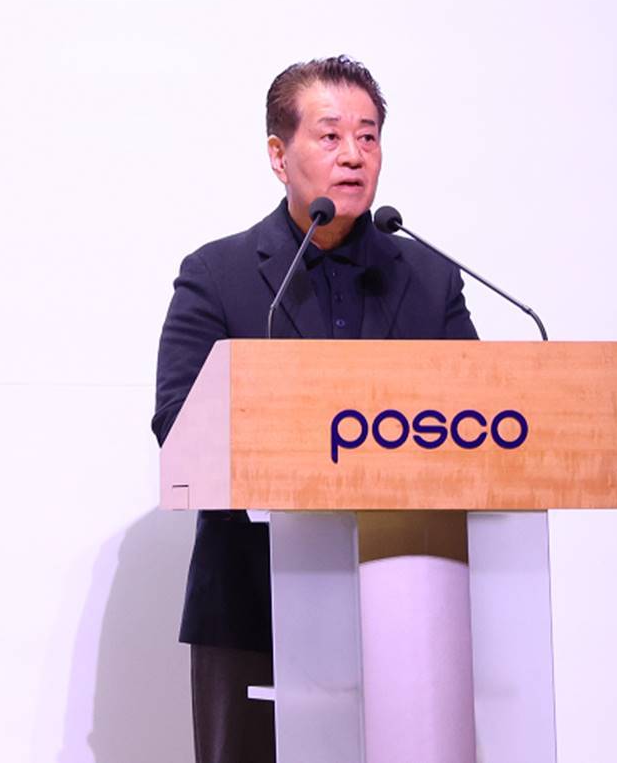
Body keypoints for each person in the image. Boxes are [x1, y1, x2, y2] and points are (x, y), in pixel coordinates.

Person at [153, 56, 477, 763]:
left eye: (368, 136)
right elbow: (179, 425)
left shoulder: (430, 278)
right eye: (330, 136)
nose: (353, 155)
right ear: (278, 155)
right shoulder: (218, 276)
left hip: (406, 601)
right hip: (252, 609)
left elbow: (479, 426)